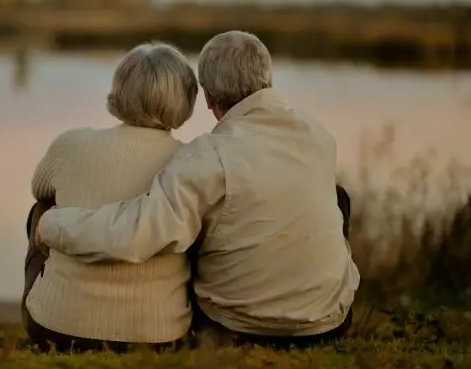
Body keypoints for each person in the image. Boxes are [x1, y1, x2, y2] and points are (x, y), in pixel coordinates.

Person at [38, 31, 361, 349]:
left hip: (237, 326)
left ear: (207, 97)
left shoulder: (207, 156)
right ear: (268, 79)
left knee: (192, 222)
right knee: (336, 197)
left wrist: (52, 224)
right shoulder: (317, 134)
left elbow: (137, 234)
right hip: (329, 322)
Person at [23, 42, 199, 352]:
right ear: (186, 99)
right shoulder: (191, 162)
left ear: (119, 91)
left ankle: (62, 299)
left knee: (41, 209)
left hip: (56, 329)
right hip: (159, 336)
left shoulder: (71, 144)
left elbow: (40, 188)